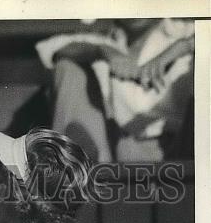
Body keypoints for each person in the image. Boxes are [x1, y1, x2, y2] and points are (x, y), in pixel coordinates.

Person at [36, 18, 195, 162]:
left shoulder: (184, 30)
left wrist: (181, 48)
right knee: (69, 68)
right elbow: (50, 48)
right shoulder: (106, 36)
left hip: (175, 147)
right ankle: (75, 163)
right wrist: (103, 51)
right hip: (114, 146)